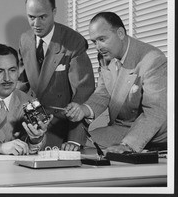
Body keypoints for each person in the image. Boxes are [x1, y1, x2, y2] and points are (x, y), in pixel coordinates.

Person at [64, 11, 167, 153]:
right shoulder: (105, 56)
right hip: (122, 127)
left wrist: (127, 145)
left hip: (153, 133)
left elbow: (155, 112)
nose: (98, 47)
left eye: (102, 39)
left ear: (120, 33)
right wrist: (84, 110)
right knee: (79, 144)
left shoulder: (153, 59)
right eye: (94, 41)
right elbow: (102, 92)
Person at [18, 0, 95, 148]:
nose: (36, 24)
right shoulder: (25, 39)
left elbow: (83, 93)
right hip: (31, 127)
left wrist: (75, 139)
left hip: (63, 132)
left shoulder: (74, 42)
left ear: (54, 12)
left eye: (42, 17)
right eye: (31, 17)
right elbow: (22, 87)